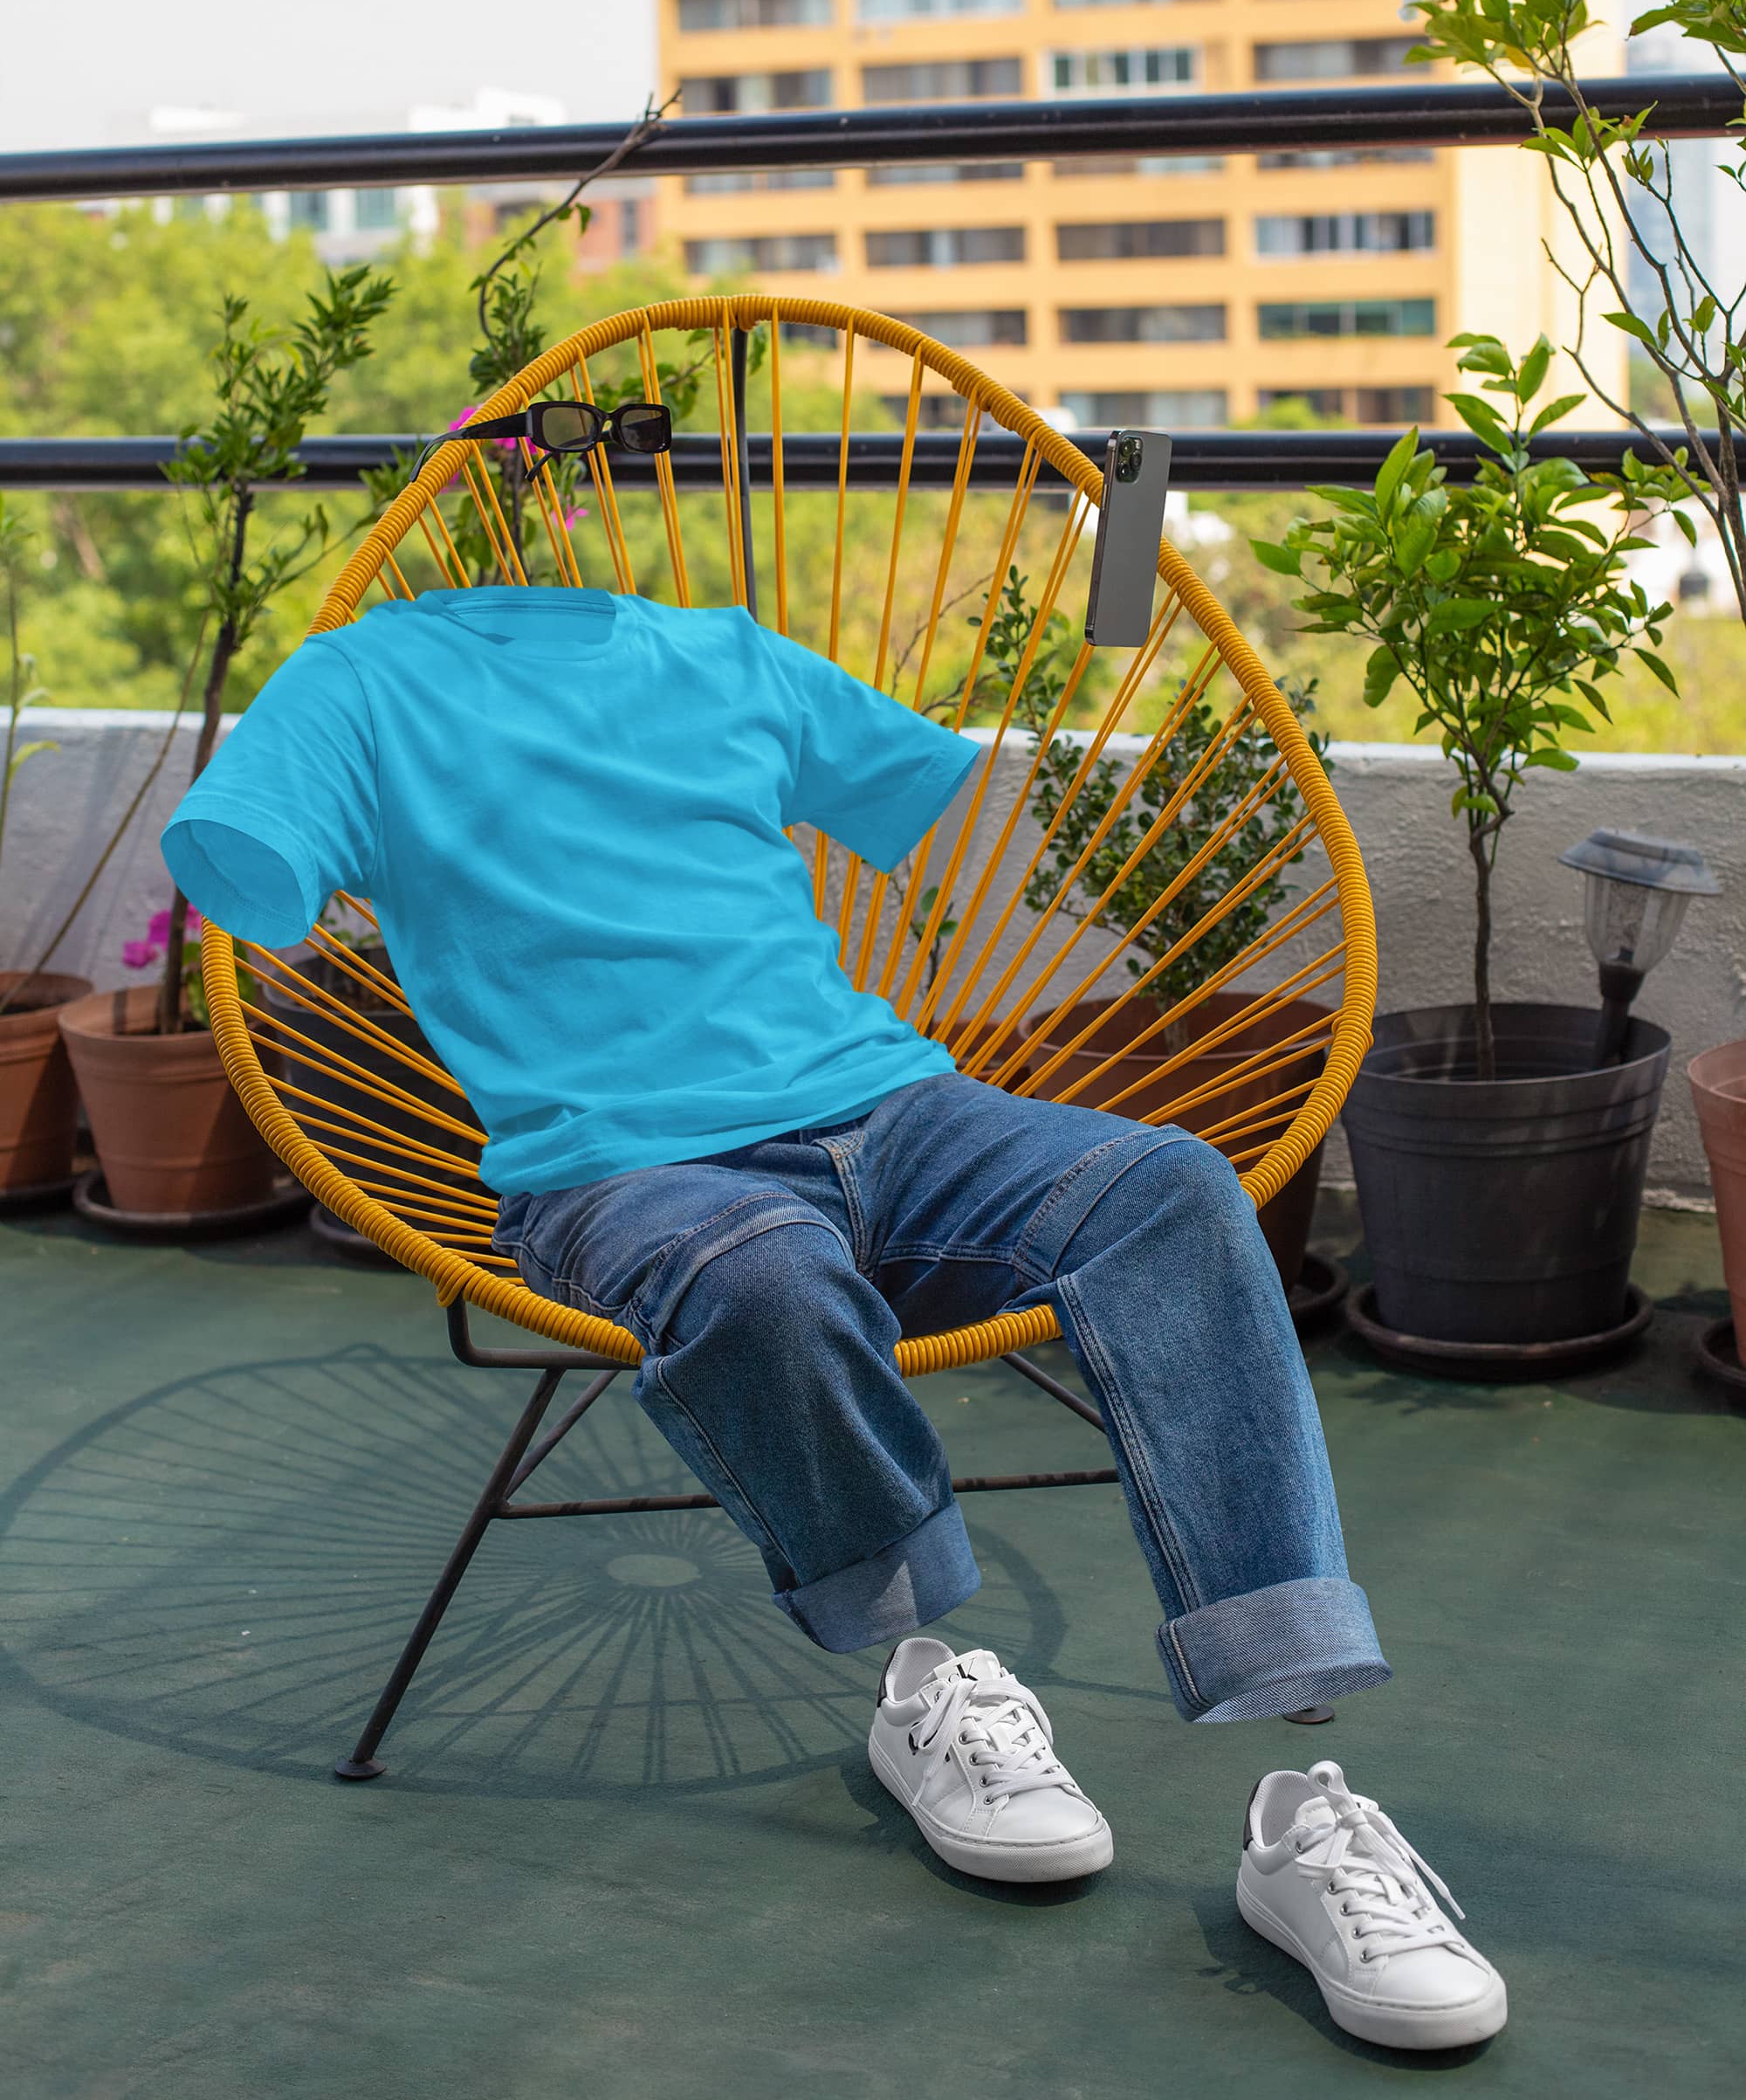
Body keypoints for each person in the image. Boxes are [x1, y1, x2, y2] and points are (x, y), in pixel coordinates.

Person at [162, 579, 1507, 2054]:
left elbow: (906, 775)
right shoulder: (357, 684)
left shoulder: (717, 653)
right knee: (760, 1281)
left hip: (898, 1108)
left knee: (1170, 1185)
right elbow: (249, 873)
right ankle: (925, 1663)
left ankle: (1286, 1706)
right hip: (625, 1167)